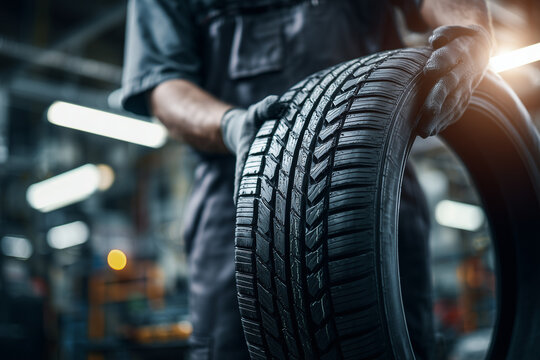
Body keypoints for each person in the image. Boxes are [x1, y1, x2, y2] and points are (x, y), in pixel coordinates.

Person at [121, 1, 493, 359]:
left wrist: (469, 31)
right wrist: (231, 126)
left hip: (375, 196)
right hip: (240, 203)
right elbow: (162, 85)